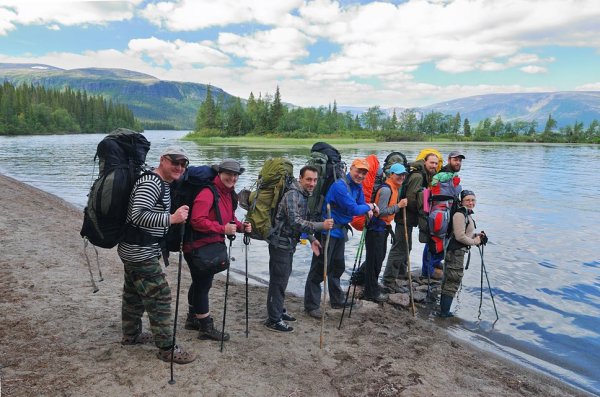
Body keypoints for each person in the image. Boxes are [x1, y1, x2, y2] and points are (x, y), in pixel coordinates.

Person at [117, 146, 196, 365]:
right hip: (140, 251)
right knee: (160, 296)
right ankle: (166, 348)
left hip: (135, 249)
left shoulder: (161, 182)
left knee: (133, 294)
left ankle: (130, 335)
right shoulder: (151, 182)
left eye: (183, 164)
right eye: (175, 162)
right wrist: (172, 218)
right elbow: (138, 215)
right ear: (162, 160)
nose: (179, 167)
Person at [183, 159, 252, 341]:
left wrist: (241, 226)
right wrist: (222, 229)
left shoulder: (228, 194)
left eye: (236, 174)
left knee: (199, 282)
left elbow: (228, 218)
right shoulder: (207, 193)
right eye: (228, 173)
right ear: (219, 173)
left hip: (210, 245)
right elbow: (197, 221)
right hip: (197, 246)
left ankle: (193, 318)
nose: (233, 178)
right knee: (203, 285)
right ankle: (205, 327)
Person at [304, 158, 378, 318]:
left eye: (364, 173)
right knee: (319, 269)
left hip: (340, 232)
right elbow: (353, 208)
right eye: (358, 171)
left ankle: (337, 299)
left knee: (338, 266)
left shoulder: (357, 186)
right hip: (326, 232)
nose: (360, 175)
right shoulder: (340, 186)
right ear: (351, 168)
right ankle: (311, 306)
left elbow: (360, 204)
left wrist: (366, 208)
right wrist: (370, 207)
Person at [265, 165, 334, 332]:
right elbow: (296, 222)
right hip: (280, 243)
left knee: (283, 278)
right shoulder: (292, 194)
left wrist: (311, 240)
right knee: (278, 281)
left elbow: (299, 223)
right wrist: (321, 226)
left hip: (288, 243)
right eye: (309, 179)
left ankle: (278, 310)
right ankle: (273, 320)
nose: (312, 183)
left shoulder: (302, 194)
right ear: (300, 178)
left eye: (315, 180)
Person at [382, 152, 439, 293]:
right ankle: (389, 280)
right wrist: (423, 209)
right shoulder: (418, 176)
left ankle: (401, 274)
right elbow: (411, 199)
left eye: (436, 163)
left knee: (407, 247)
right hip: (405, 216)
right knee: (400, 248)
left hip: (408, 216)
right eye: (431, 162)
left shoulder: (424, 174)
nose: (434, 165)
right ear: (424, 162)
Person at [361, 163, 408, 302]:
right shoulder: (387, 190)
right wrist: (398, 206)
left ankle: (372, 286)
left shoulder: (395, 188)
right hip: (376, 229)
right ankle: (370, 292)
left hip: (382, 229)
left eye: (403, 174)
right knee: (374, 261)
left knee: (378, 259)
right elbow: (380, 212)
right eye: (398, 174)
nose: (402, 177)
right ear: (390, 175)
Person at [439, 189, 485, 317]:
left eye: (473, 200)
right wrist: (474, 242)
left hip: (457, 251)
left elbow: (464, 234)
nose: (471, 202)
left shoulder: (466, 213)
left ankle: (444, 309)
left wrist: (477, 236)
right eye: (467, 200)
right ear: (461, 201)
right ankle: (444, 313)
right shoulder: (459, 214)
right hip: (455, 252)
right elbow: (459, 237)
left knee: (450, 279)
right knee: (453, 280)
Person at [422, 150, 466, 279]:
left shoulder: (451, 175)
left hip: (447, 213)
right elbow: (432, 193)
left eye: (460, 160)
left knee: (443, 240)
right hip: (439, 213)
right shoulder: (442, 175)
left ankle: (433, 264)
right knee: (434, 239)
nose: (458, 162)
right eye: (455, 160)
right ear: (449, 160)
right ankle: (427, 270)